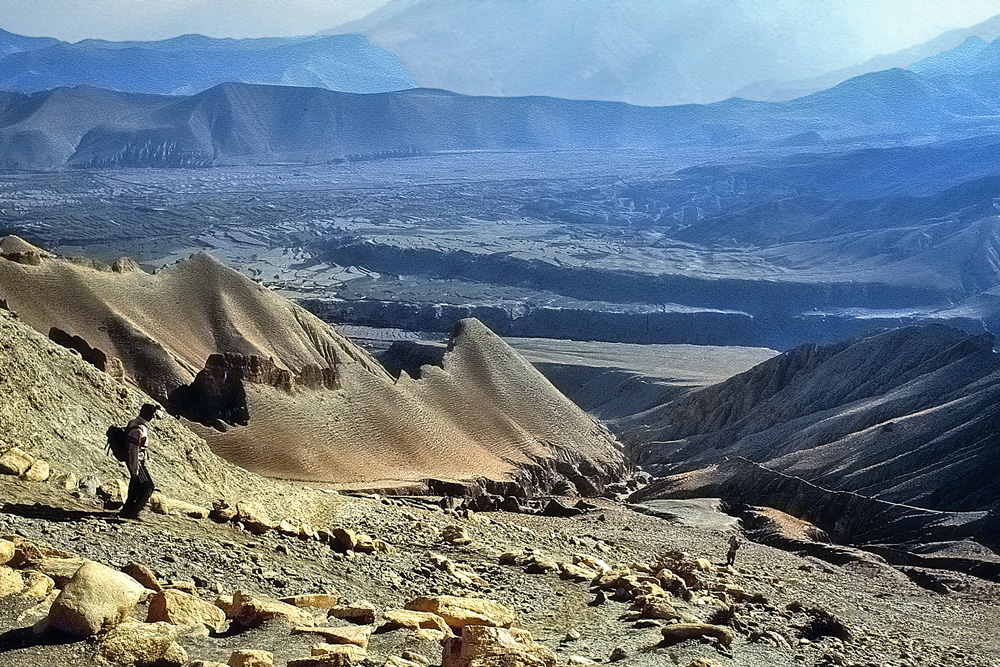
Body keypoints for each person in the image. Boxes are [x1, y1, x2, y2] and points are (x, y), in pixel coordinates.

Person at [119, 403, 158, 519]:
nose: (152, 417)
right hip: (137, 462)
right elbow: (133, 450)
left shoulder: (135, 423)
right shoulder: (138, 429)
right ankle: (134, 512)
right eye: (151, 414)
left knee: (136, 486)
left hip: (136, 461)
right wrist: (135, 469)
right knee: (148, 486)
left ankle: (127, 510)